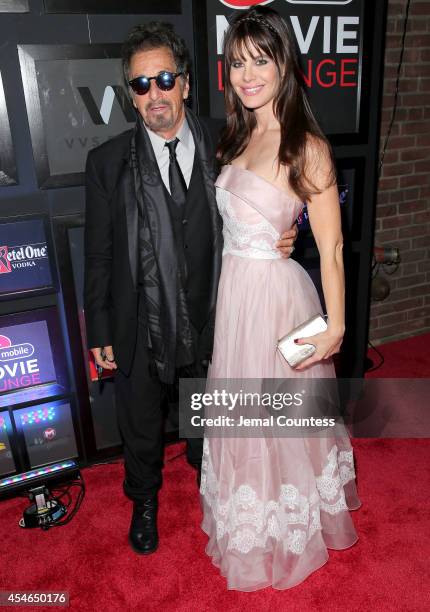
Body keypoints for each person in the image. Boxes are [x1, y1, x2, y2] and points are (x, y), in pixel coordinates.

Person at [83, 22, 297, 556]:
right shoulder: (107, 163)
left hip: (215, 309)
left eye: (163, 79)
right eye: (140, 85)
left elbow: (275, 192)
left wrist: (285, 233)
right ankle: (145, 501)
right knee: (140, 423)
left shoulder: (229, 141)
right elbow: (99, 255)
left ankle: (212, 480)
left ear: (185, 83)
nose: (154, 93)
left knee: (210, 410)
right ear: (131, 98)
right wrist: (101, 327)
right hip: (141, 319)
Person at [200, 7, 361, 591]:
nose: (247, 75)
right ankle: (253, 521)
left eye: (259, 60)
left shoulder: (306, 146)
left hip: (277, 302)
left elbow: (335, 246)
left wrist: (336, 326)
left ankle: (293, 524)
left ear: (283, 64)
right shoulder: (237, 134)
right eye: (237, 62)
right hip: (236, 297)